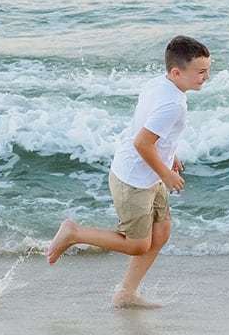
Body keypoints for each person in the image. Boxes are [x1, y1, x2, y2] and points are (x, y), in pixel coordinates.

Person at [46, 35, 211, 308]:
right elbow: (142, 142)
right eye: (201, 71)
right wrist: (167, 173)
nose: (207, 77)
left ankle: (126, 293)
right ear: (177, 72)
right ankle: (73, 233)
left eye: (208, 70)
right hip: (135, 178)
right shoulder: (174, 104)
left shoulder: (160, 85)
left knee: (161, 233)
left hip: (147, 172)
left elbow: (149, 130)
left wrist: (170, 155)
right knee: (137, 245)